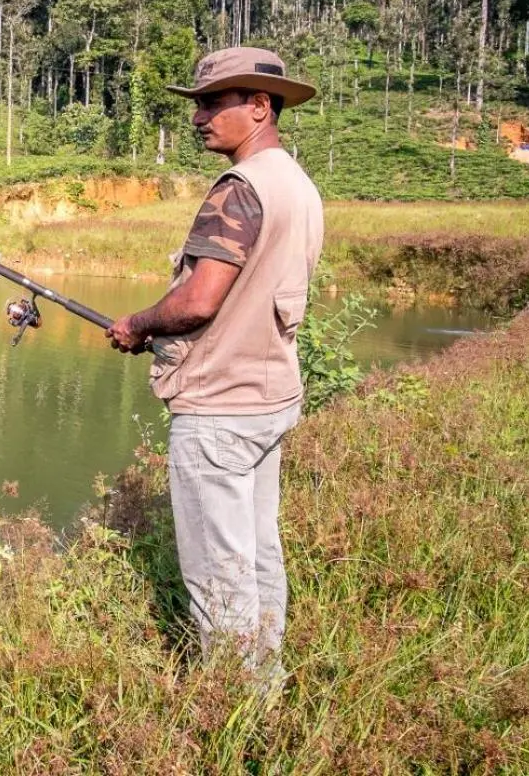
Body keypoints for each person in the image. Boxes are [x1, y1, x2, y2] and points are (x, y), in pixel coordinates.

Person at [104, 46, 322, 687]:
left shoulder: (239, 189)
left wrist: (138, 324)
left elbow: (199, 299)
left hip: (221, 411)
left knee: (218, 573)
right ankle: (267, 679)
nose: (198, 117)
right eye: (197, 103)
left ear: (259, 107)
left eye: (211, 102)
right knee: (257, 554)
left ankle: (233, 712)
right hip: (269, 398)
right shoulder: (298, 184)